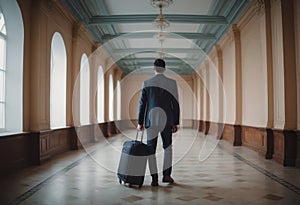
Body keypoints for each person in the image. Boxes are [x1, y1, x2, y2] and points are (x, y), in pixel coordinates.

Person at [137, 58, 180, 186]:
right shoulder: (172, 83)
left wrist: (140, 122)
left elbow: (142, 104)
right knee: (168, 148)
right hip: (167, 121)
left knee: (151, 150)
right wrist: (176, 122)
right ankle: (166, 175)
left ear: (154, 69)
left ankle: (154, 178)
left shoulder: (147, 83)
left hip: (151, 122)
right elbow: (175, 104)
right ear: (164, 69)